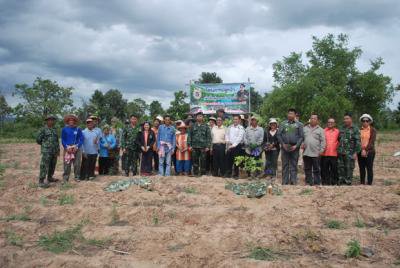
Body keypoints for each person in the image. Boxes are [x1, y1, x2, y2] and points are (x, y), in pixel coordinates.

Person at [277, 108, 304, 185]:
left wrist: (296, 146)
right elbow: (278, 135)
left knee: (293, 164)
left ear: (295, 115)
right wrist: (283, 144)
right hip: (285, 147)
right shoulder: (283, 124)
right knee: (285, 164)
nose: (290, 115)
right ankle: (285, 181)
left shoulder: (299, 125)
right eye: (289, 113)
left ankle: (293, 181)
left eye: (292, 113)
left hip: (294, 148)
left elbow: (301, 137)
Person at [302, 113, 326, 186]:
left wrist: (321, 150)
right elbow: (302, 138)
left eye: (314, 118)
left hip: (316, 153)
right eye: (311, 118)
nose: (312, 120)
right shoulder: (305, 128)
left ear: (317, 120)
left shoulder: (321, 130)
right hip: (306, 152)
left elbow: (323, 141)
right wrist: (302, 144)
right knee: (307, 169)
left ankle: (316, 182)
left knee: (316, 169)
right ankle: (308, 182)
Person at [36, 115, 60, 188]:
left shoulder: (54, 129)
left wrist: (58, 150)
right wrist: (45, 145)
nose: (51, 121)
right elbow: (38, 140)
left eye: (53, 120)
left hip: (54, 151)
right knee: (44, 166)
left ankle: (50, 178)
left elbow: (56, 141)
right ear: (47, 121)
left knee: (52, 165)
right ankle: (41, 181)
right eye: (50, 120)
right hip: (46, 151)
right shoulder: (43, 129)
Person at [338, 113, 361, 185]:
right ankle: (341, 180)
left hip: (350, 152)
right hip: (341, 151)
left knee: (349, 167)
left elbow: (358, 142)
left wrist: (355, 153)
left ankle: (348, 181)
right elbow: (339, 139)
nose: (345, 120)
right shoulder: (342, 128)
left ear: (351, 119)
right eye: (344, 119)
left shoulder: (355, 129)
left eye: (347, 118)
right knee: (341, 167)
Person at [61, 114, 84, 183]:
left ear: (75, 121)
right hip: (67, 148)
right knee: (67, 163)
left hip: (76, 148)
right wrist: (66, 147)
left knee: (77, 163)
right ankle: (65, 178)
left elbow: (81, 138)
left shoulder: (78, 129)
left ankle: (77, 177)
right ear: (68, 121)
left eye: (72, 120)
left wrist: (77, 146)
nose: (71, 121)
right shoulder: (64, 129)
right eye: (70, 120)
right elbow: (63, 139)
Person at [188, 111, 211, 177]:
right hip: (194, 147)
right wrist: (189, 145)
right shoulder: (192, 126)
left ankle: (202, 174)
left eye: (201, 116)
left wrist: (208, 146)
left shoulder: (206, 126)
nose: (199, 117)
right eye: (198, 116)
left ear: (203, 117)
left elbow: (208, 137)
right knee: (195, 161)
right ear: (196, 117)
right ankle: (195, 173)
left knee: (203, 161)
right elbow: (189, 136)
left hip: (203, 147)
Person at [358, 114, 377, 185]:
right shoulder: (359, 130)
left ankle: (369, 183)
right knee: (361, 168)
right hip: (360, 151)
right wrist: (362, 149)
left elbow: (372, 141)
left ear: (369, 122)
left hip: (370, 152)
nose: (365, 122)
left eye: (367, 120)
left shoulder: (373, 130)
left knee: (369, 167)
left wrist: (365, 150)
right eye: (363, 120)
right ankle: (362, 183)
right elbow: (358, 140)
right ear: (361, 121)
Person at [225, 114, 245, 179]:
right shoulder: (230, 127)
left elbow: (239, 138)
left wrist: (233, 145)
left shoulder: (241, 128)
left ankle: (236, 174)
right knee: (228, 160)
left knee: (236, 161)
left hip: (237, 147)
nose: (235, 120)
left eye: (236, 119)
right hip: (229, 145)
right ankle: (229, 173)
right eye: (234, 119)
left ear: (239, 120)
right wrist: (228, 141)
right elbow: (227, 135)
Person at [321, 118, 340, 185]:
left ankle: (334, 182)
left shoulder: (337, 131)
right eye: (329, 122)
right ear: (327, 123)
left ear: (334, 124)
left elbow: (340, 141)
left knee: (334, 169)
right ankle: (325, 182)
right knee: (324, 169)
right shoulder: (323, 131)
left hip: (334, 154)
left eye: (332, 122)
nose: (330, 123)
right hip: (324, 154)